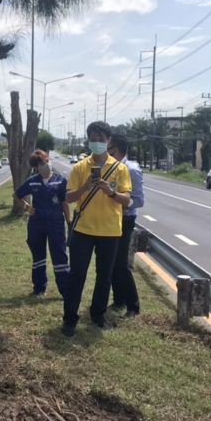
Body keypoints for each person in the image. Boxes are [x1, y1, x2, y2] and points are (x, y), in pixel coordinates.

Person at [62, 121, 132, 337]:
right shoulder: (80, 167)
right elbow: (67, 197)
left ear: (109, 141)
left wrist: (110, 192)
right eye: (94, 139)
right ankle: (70, 318)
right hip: (83, 229)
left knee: (105, 277)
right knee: (77, 275)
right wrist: (85, 187)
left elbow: (127, 200)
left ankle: (97, 314)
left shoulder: (120, 169)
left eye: (102, 139)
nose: (98, 143)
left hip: (110, 231)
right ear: (89, 140)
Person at [13, 150, 71, 297]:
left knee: (60, 256)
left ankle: (65, 290)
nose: (45, 165)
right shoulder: (32, 180)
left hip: (56, 224)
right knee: (38, 256)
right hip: (36, 224)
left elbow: (65, 203)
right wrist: (27, 207)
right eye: (40, 164)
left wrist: (69, 222)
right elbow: (16, 195)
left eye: (45, 161)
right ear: (36, 167)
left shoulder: (60, 180)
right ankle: (39, 288)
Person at [107, 134, 143, 316]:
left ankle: (133, 305)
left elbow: (139, 201)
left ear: (116, 149)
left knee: (121, 264)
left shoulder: (131, 169)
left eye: (109, 148)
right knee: (111, 262)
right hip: (111, 219)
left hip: (125, 219)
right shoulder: (112, 167)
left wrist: (119, 199)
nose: (106, 152)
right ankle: (118, 300)